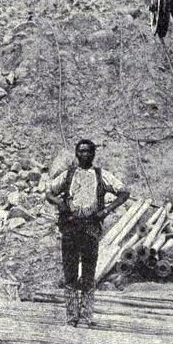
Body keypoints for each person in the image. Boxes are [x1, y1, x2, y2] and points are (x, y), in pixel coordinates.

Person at [46, 139, 130, 326]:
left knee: (89, 273)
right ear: (76, 154)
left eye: (88, 151)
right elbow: (49, 191)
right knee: (70, 272)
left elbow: (124, 192)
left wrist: (106, 211)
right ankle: (71, 316)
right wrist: (59, 203)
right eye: (81, 151)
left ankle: (85, 316)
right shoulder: (68, 175)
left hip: (91, 228)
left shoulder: (102, 175)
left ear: (93, 154)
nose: (84, 154)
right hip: (70, 227)